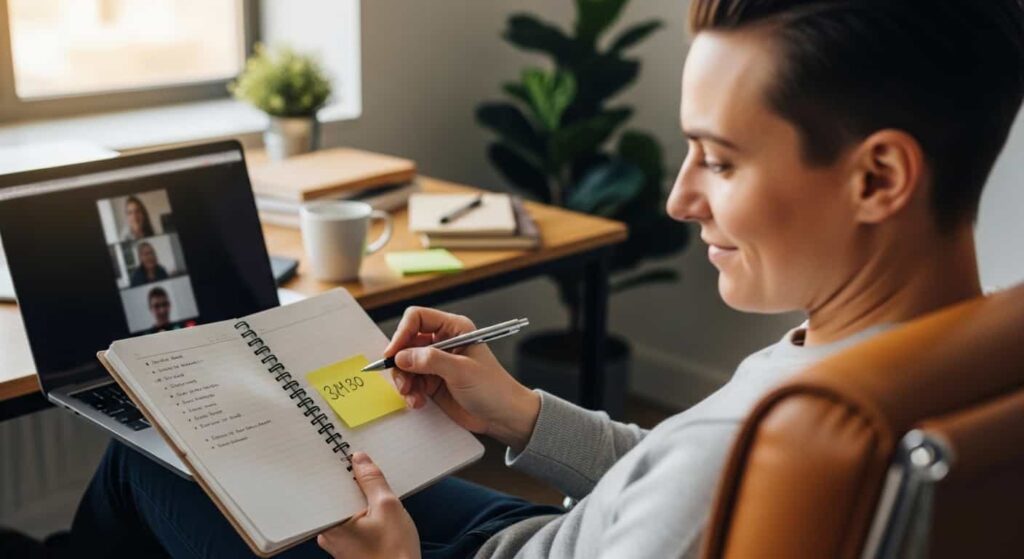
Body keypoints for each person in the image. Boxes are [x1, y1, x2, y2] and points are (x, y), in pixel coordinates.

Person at [60, 1, 1024, 558]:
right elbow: (677, 484)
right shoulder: (941, 352)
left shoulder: (767, 434)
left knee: (149, 454)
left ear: (878, 177)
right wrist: (517, 412)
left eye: (719, 160)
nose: (683, 198)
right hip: (548, 532)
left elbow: (696, 479)